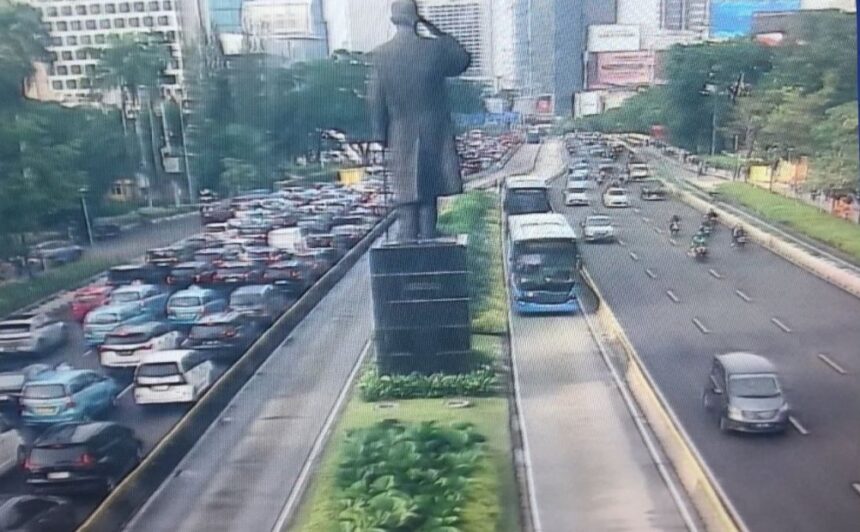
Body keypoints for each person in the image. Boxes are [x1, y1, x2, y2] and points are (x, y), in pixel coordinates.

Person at [368, 0, 471, 241]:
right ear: (416, 19)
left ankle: (406, 249)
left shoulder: (381, 55)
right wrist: (432, 27)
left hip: (400, 136)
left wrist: (380, 136)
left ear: (393, 20)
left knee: (406, 203)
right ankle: (428, 240)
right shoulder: (433, 50)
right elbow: (463, 59)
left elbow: (375, 99)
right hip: (433, 133)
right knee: (429, 201)